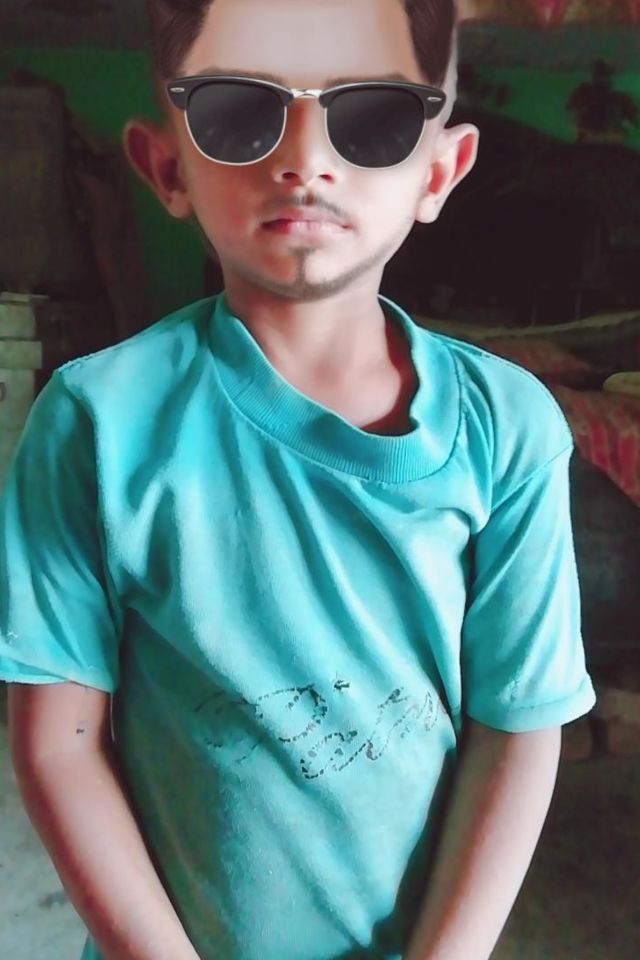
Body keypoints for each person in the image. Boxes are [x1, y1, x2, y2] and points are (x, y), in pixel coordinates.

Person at [0, 2, 596, 959]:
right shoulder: (95, 424)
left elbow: (517, 725)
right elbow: (58, 745)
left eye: (374, 117)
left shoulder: (509, 430)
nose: (305, 158)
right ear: (166, 166)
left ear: (438, 171)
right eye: (241, 109)